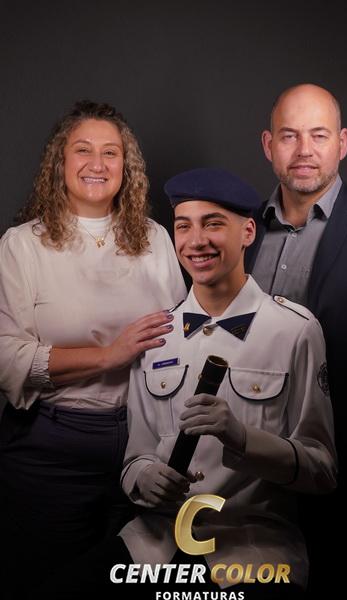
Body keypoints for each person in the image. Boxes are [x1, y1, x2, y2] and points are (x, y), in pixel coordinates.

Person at [35, 168, 337, 599]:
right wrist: (144, 477)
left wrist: (242, 439)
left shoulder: (295, 331)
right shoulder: (156, 336)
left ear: (248, 232)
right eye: (183, 226)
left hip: (250, 548)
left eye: (213, 224)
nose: (196, 241)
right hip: (154, 546)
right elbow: (136, 457)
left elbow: (322, 470)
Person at [0, 100, 187, 598]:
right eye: (83, 150)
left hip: (143, 449)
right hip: (52, 451)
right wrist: (107, 356)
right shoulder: (23, 245)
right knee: (49, 589)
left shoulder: (156, 239)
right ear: (59, 162)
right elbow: (6, 357)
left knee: (130, 588)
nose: (97, 164)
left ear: (127, 167)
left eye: (111, 152)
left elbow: (178, 342)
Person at [247, 83, 347, 594]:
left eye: (319, 135)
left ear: (343, 143)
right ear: (269, 145)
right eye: (289, 135)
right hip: (251, 478)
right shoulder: (240, 234)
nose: (304, 150)